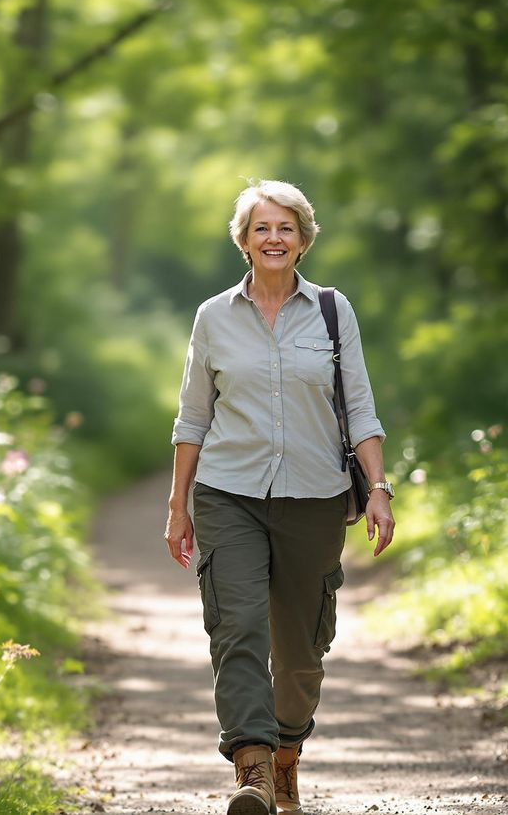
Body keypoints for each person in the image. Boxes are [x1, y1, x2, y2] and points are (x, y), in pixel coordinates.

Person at [164, 180, 395, 815]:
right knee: (236, 627)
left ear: (303, 239)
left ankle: (287, 753)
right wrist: (178, 503)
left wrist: (377, 488)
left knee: (300, 649)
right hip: (226, 492)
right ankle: (253, 770)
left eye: (286, 228)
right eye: (261, 228)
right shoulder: (213, 316)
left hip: (316, 496)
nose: (274, 238)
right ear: (243, 240)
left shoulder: (331, 311)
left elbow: (360, 406)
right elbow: (192, 418)